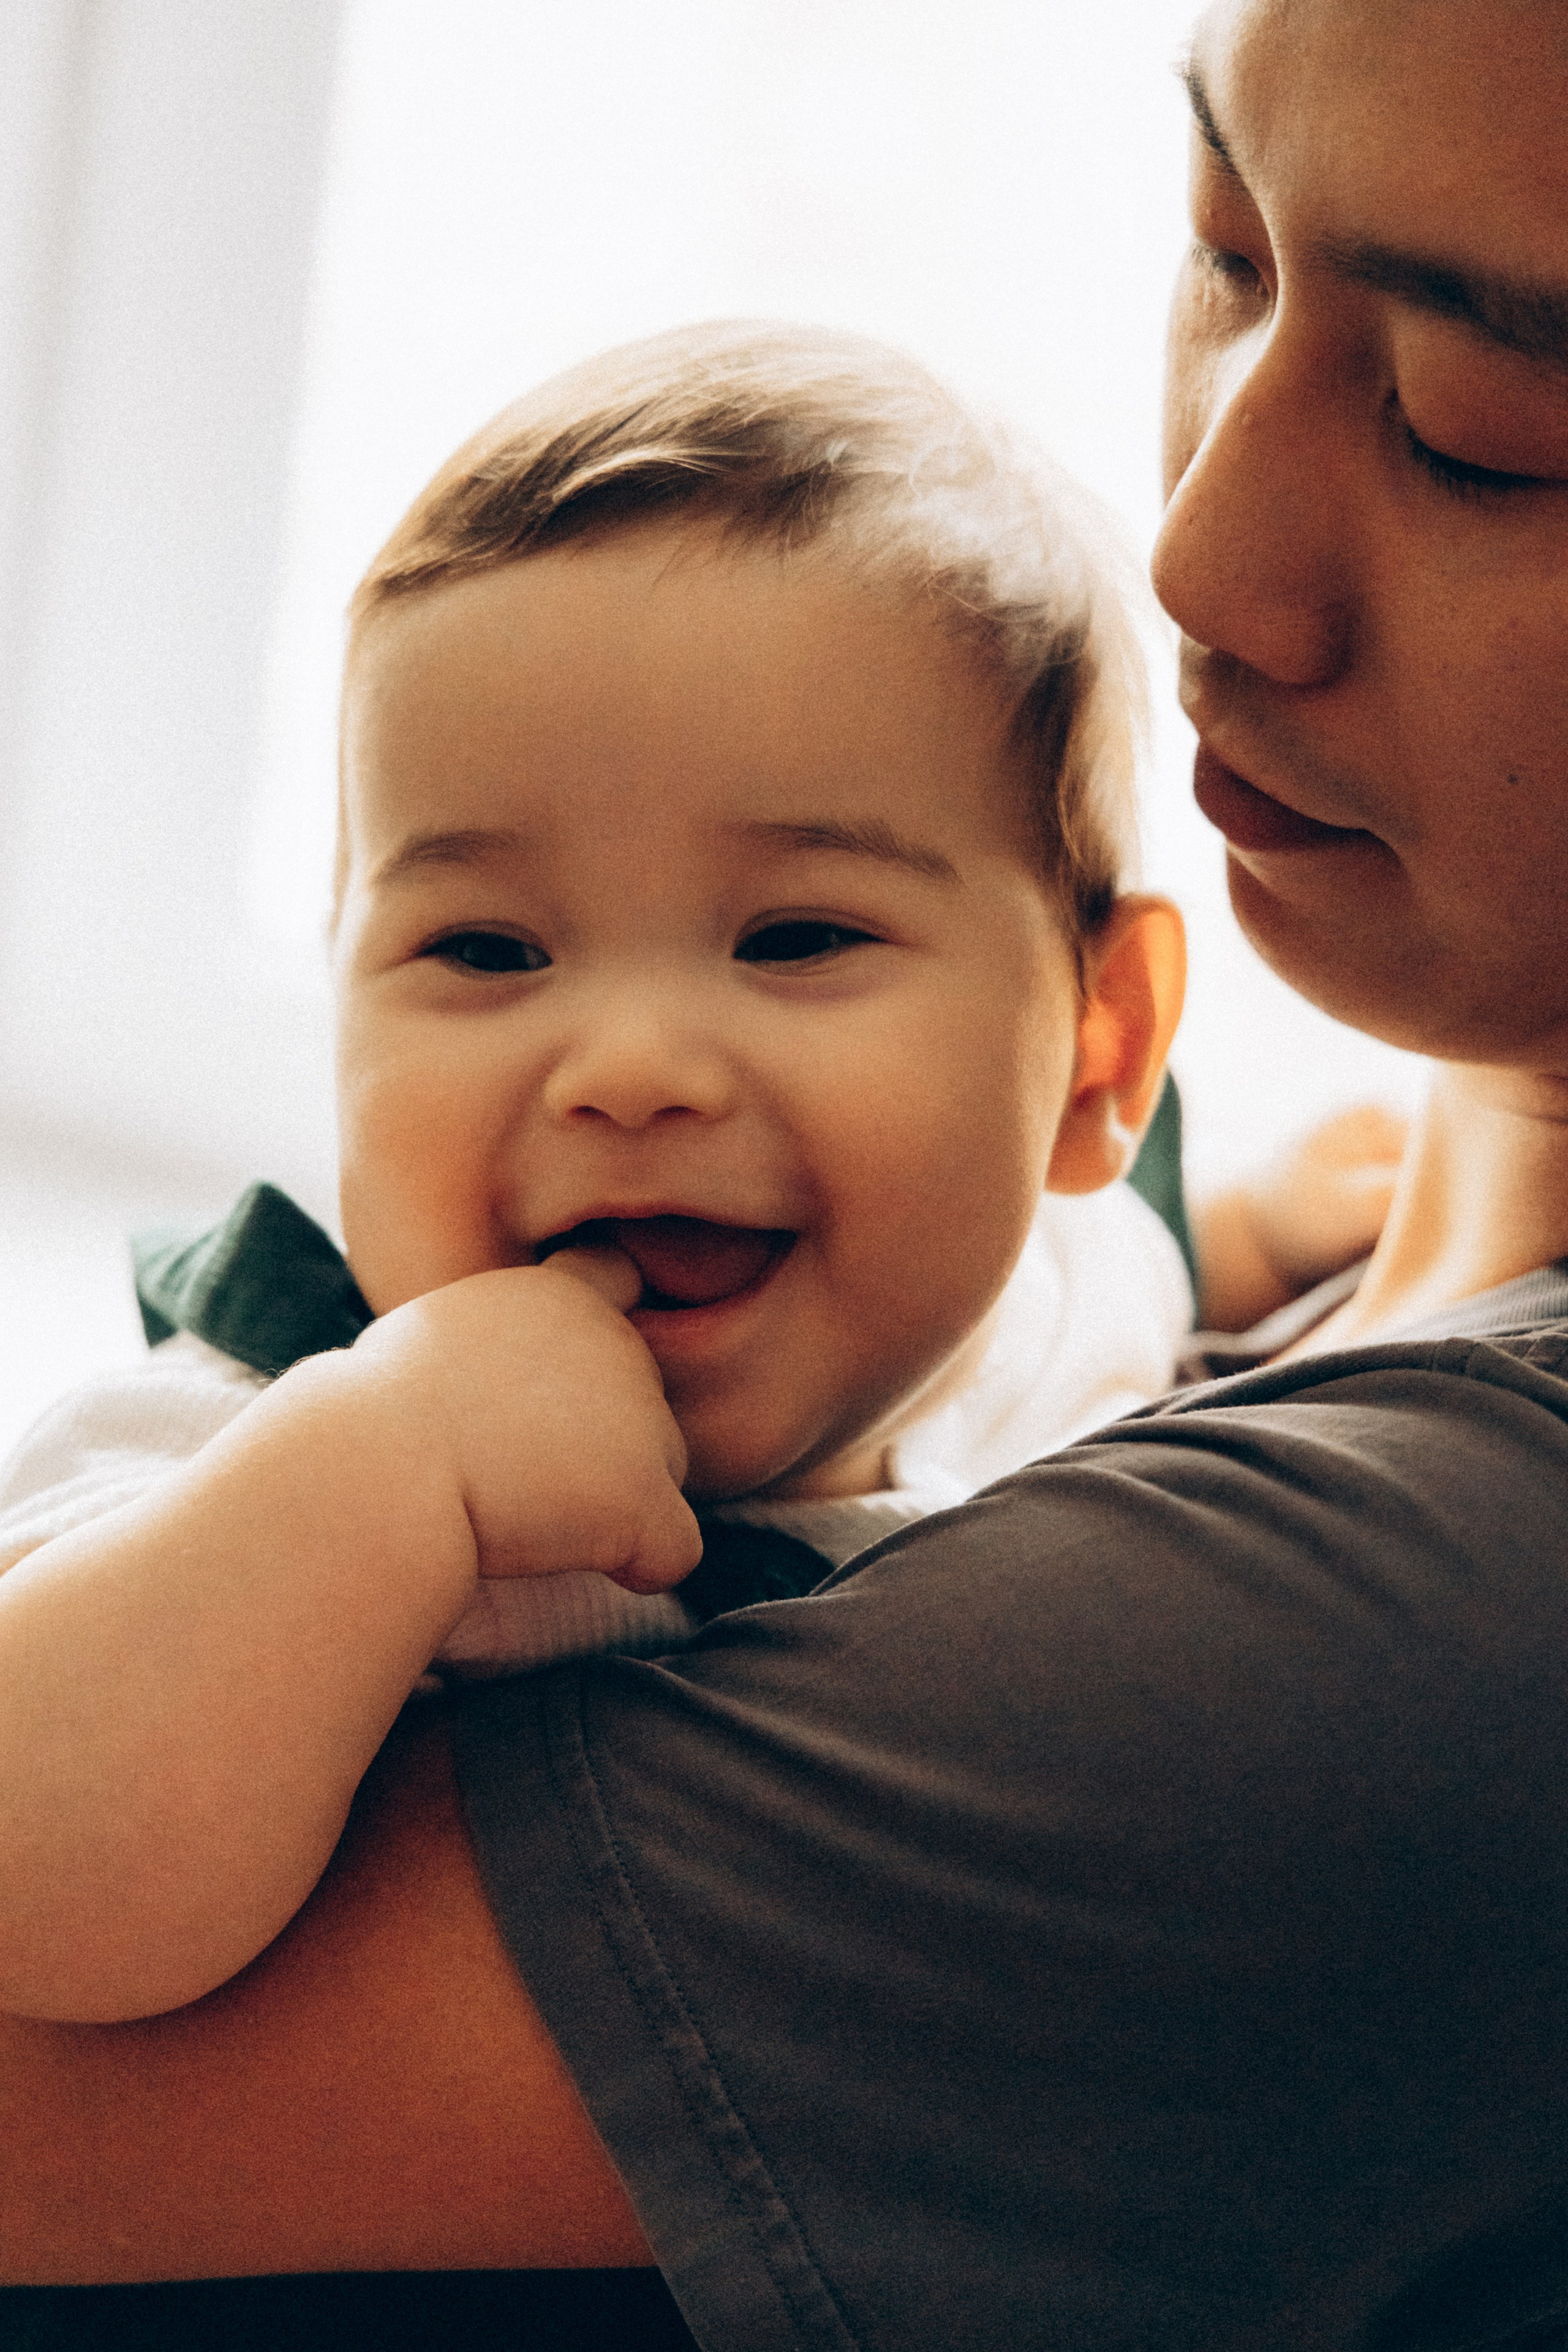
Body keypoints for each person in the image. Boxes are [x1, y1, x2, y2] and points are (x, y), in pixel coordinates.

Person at [6, 0, 1568, 2343]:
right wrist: (364, 1479)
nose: (627, 1064)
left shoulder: (1399, 1625)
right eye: (1226, 244)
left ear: (1099, 1052)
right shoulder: (242, 1431)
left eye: (1483, 432)